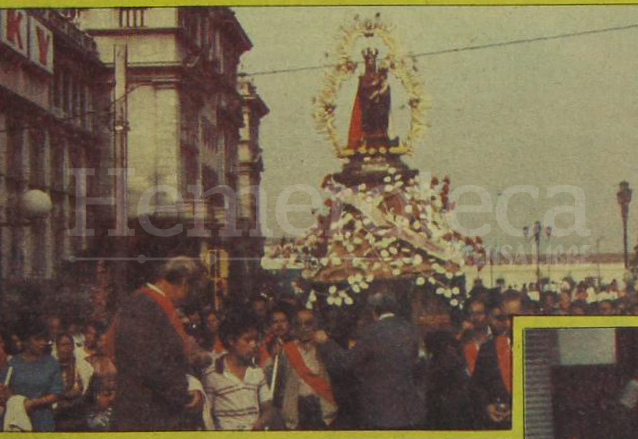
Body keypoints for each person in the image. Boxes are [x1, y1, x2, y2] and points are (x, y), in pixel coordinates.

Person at [110, 256, 206, 431]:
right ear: (184, 282)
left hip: (153, 412)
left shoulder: (150, 304)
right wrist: (184, 392)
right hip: (145, 416)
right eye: (191, 290)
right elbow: (150, 365)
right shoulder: (143, 305)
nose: (188, 298)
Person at [315, 290, 425, 429]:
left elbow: (346, 363)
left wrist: (326, 343)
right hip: (409, 408)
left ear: (373, 312)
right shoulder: (411, 329)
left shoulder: (371, 332)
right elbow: (421, 364)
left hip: (381, 410)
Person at [203, 311, 275, 430]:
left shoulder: (256, 372)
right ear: (231, 341)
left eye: (256, 340)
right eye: (247, 340)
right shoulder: (213, 374)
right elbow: (207, 414)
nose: (254, 345)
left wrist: (261, 422)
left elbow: (267, 409)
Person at [276, 309, 337, 430]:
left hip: (323, 411)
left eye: (308, 323)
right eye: (299, 324)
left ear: (316, 325)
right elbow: (281, 384)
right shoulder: (286, 350)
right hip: (296, 412)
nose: (303, 328)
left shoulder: (325, 347)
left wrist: (326, 343)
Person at [469, 291, 522, 430]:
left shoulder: (540, 344)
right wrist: (487, 405)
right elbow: (477, 385)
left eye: (515, 316)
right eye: (504, 317)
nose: (509, 323)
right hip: (501, 425)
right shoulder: (489, 348)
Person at [0, 319, 63, 431]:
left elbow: (56, 393)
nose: (43, 343)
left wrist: (32, 403)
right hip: (15, 419)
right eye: (38, 339)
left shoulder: (52, 363)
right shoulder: (13, 363)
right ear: (26, 341)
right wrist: (17, 402)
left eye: (45, 339)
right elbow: (5, 388)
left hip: (42, 420)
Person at [54, 333, 94, 431]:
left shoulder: (84, 367)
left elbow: (87, 392)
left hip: (78, 414)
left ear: (73, 347)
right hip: (56, 415)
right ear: (57, 348)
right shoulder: (50, 368)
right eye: (63, 345)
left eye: (68, 345)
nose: (66, 348)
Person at [462, 297, 491, 376]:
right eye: (472, 314)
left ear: (487, 315)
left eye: (479, 313)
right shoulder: (465, 338)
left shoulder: (495, 335)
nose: (475, 318)